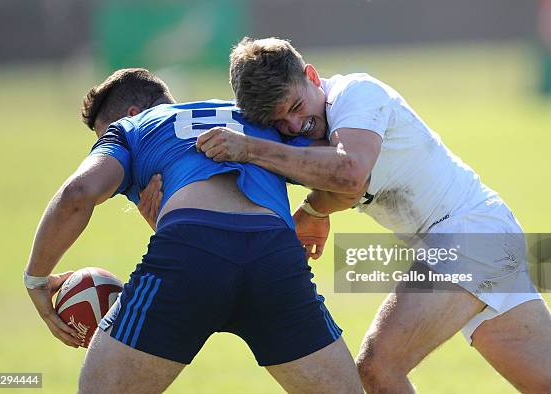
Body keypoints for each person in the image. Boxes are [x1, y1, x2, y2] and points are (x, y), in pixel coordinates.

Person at [194, 37, 551, 393]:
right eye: (279, 122)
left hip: (468, 234)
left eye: (296, 107)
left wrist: (249, 149)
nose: (295, 125)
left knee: (378, 370)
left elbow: (350, 173)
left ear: (312, 76)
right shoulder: (309, 131)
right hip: (483, 236)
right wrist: (314, 209)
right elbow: (349, 188)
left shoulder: (356, 92)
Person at [24, 68, 363, 393]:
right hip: (274, 257)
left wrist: (37, 279)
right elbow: (346, 176)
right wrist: (315, 211)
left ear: (130, 112)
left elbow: (77, 194)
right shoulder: (256, 117)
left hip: (188, 252)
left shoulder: (130, 128)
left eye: (101, 138)